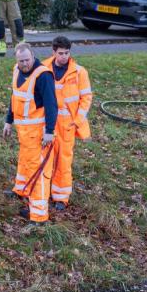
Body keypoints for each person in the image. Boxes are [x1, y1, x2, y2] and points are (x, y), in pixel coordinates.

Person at [2, 42, 56, 223]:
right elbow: (15, 97)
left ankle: (39, 215)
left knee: (38, 171)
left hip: (38, 134)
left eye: (26, 60)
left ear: (33, 56)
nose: (24, 64)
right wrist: (8, 121)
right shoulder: (16, 71)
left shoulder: (43, 76)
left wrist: (50, 131)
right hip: (23, 132)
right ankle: (21, 190)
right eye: (20, 61)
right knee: (24, 163)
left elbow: (51, 105)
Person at [41, 36, 92, 212]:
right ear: (53, 52)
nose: (64, 56)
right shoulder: (43, 68)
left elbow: (86, 98)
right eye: (60, 53)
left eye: (67, 53)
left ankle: (61, 197)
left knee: (63, 161)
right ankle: (43, 192)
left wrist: (76, 121)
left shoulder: (79, 72)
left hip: (67, 126)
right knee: (45, 159)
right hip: (48, 123)